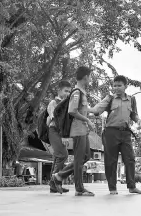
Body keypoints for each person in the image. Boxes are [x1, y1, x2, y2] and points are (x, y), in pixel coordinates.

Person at [91, 75, 141, 195]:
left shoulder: (131, 100)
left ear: (126, 86)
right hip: (111, 132)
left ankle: (132, 186)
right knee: (111, 160)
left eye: (119, 85)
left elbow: (134, 114)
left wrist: (138, 120)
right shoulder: (109, 99)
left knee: (130, 159)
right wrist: (86, 109)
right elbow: (97, 110)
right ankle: (112, 188)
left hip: (125, 132)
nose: (117, 88)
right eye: (114, 85)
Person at [51, 66, 96, 196]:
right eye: (90, 77)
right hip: (77, 130)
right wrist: (87, 120)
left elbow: (83, 110)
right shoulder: (77, 92)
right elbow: (72, 111)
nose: (90, 80)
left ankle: (59, 176)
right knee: (79, 158)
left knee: (86, 156)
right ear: (86, 77)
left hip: (83, 130)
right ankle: (79, 188)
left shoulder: (82, 92)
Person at [47, 80, 71, 193]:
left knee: (57, 157)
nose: (67, 93)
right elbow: (54, 118)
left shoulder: (67, 104)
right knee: (63, 155)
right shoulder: (54, 103)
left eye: (69, 91)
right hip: (54, 130)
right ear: (59, 91)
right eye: (66, 91)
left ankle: (53, 185)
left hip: (61, 132)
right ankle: (56, 181)